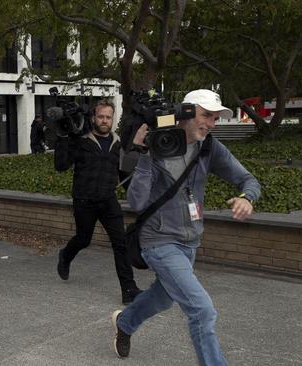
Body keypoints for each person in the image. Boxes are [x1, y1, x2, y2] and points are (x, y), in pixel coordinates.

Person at [111, 89, 261, 365]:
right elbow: (137, 201)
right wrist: (143, 154)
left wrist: (246, 198)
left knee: (165, 298)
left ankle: (125, 321)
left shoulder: (208, 147)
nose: (211, 123)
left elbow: (248, 179)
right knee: (202, 310)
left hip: (190, 241)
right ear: (186, 113)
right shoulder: (156, 145)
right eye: (206, 115)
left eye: (215, 118)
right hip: (158, 240)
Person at [55, 100, 142, 304]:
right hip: (84, 201)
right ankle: (65, 256)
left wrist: (139, 200)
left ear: (113, 119)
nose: (104, 120)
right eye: (101, 116)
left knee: (120, 243)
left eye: (108, 117)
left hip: (108, 201)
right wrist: (63, 136)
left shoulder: (117, 144)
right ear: (93, 117)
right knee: (83, 239)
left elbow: (124, 175)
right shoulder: (81, 140)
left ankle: (128, 289)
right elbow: (60, 165)